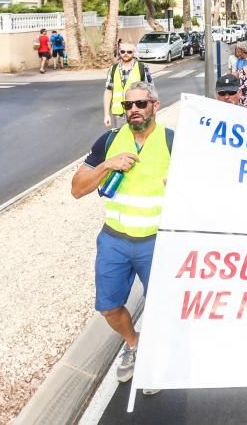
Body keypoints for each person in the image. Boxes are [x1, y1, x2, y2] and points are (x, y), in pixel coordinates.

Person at [71, 81, 173, 395]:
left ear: (155, 105)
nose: (133, 111)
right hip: (114, 240)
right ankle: (134, 342)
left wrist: (178, 185)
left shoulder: (172, 141)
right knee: (109, 307)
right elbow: (77, 189)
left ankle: (156, 360)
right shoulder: (110, 140)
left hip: (157, 241)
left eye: (141, 104)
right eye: (127, 106)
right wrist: (106, 165)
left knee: (162, 308)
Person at [103, 43, 152, 129]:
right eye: (123, 51)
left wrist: (150, 113)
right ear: (119, 52)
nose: (126, 54)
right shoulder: (113, 69)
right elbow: (108, 91)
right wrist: (106, 115)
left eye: (129, 52)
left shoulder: (142, 67)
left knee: (138, 138)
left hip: (138, 113)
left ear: (134, 53)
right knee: (122, 139)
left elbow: (150, 91)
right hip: (119, 115)